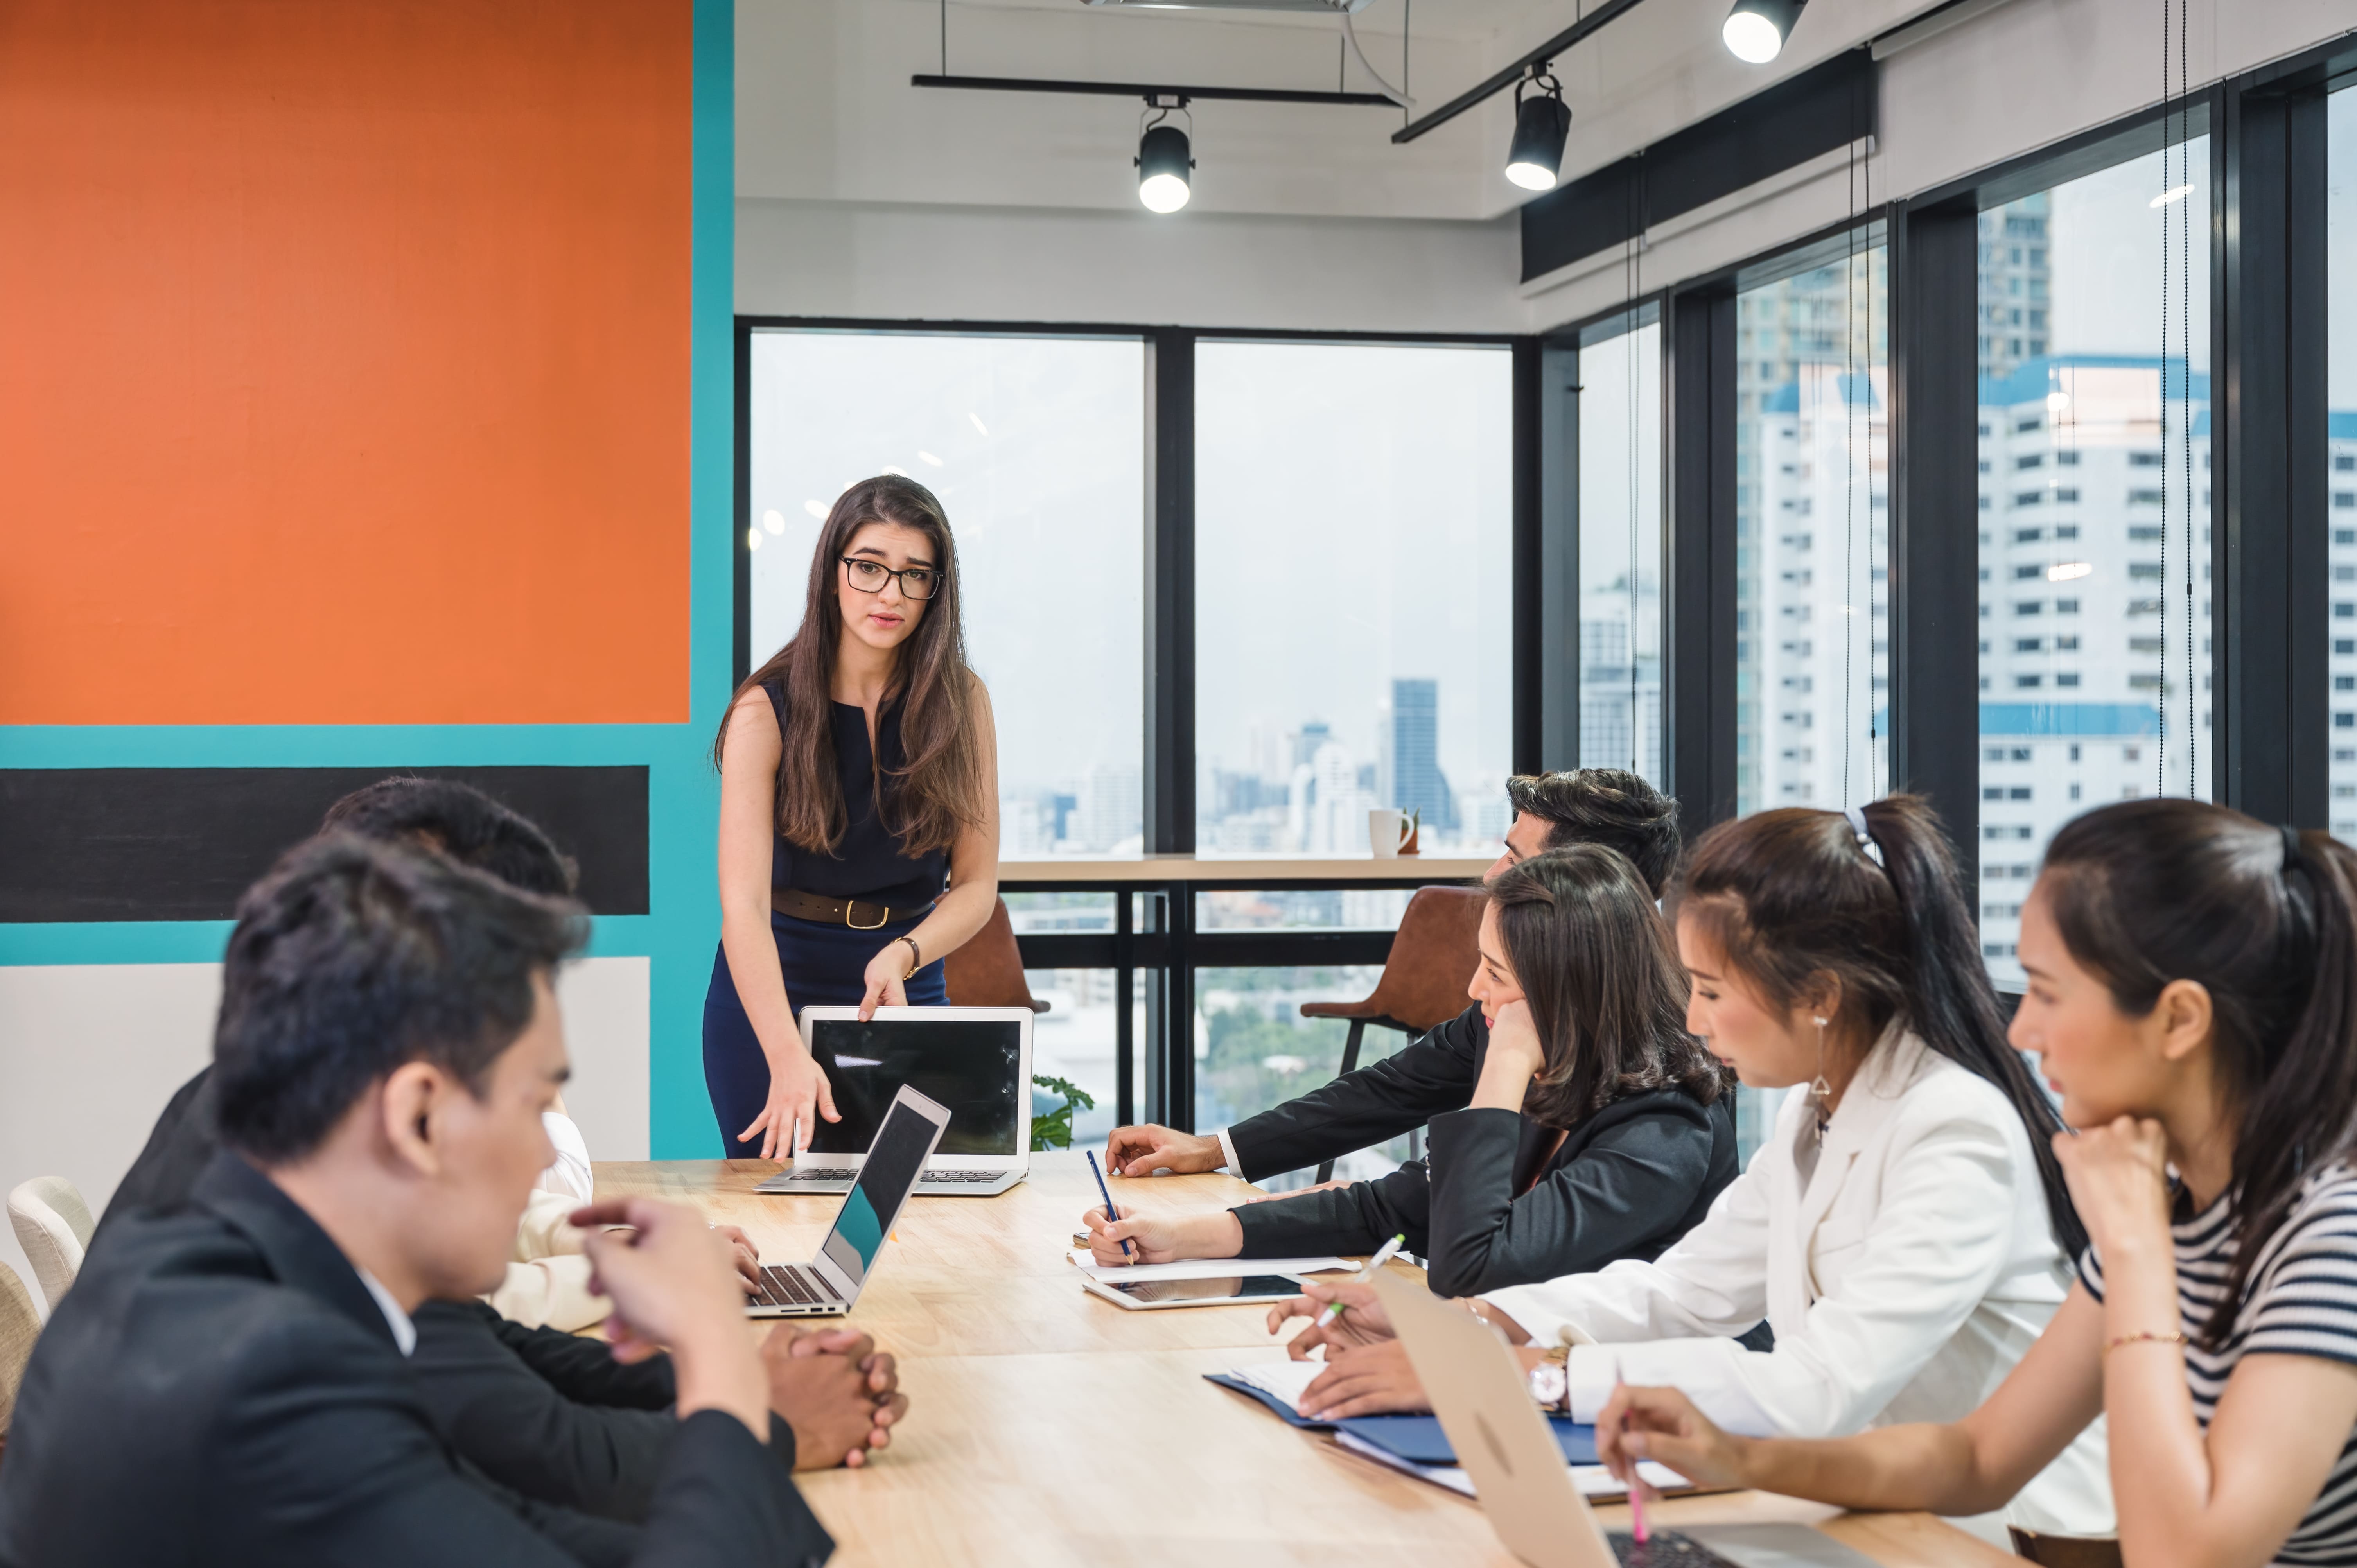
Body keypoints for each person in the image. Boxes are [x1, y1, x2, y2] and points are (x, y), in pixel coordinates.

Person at [1272, 796, 2115, 1539]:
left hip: (2001, 1537)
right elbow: (1681, 1294)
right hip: (1865, 1509)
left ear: (1818, 995)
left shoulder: (1955, 1131)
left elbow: (1818, 1385)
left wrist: (1531, 1375)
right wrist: (1472, 1329)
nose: (1689, 1014)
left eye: (1710, 989)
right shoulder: (1815, 1106)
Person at [0, 835, 828, 1564]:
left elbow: (510, 1528)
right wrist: (720, 1360)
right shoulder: (271, 1373)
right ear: (416, 1114)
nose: (546, 1149)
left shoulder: (255, 1252)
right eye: (535, 1102)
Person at [1595, 800, 2357, 1567]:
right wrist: (1739, 1456)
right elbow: (1977, 1457)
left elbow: (2184, 1557)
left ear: (2178, 1019)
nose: (2022, 1032)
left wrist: (2133, 1255)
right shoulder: (2173, 1212)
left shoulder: (2326, 1241)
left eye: (2048, 993)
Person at [1082, 847, 1736, 1295]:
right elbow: (1386, 1208)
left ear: (1568, 991)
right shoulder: (1566, 1073)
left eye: (1498, 974)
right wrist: (1177, 1239)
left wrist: (1504, 1067)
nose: (1475, 987)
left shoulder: (1661, 1127)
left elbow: (1471, 1269)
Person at [1100, 768, 1682, 1191]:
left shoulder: (1662, 1090)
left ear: (1588, 888)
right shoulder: (1505, 1009)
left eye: (1514, 858)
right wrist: (1213, 1149)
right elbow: (1386, 1092)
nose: (1490, 874)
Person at [706, 475, 1000, 1160]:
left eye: (914, 575)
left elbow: (978, 885)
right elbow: (742, 907)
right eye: (869, 567)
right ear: (833, 571)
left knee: (916, 1218)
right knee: (779, 1222)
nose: (890, 594)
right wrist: (785, 1053)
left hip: (902, 981)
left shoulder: (963, 702)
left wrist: (906, 952)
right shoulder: (765, 709)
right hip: (778, 986)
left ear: (937, 589)